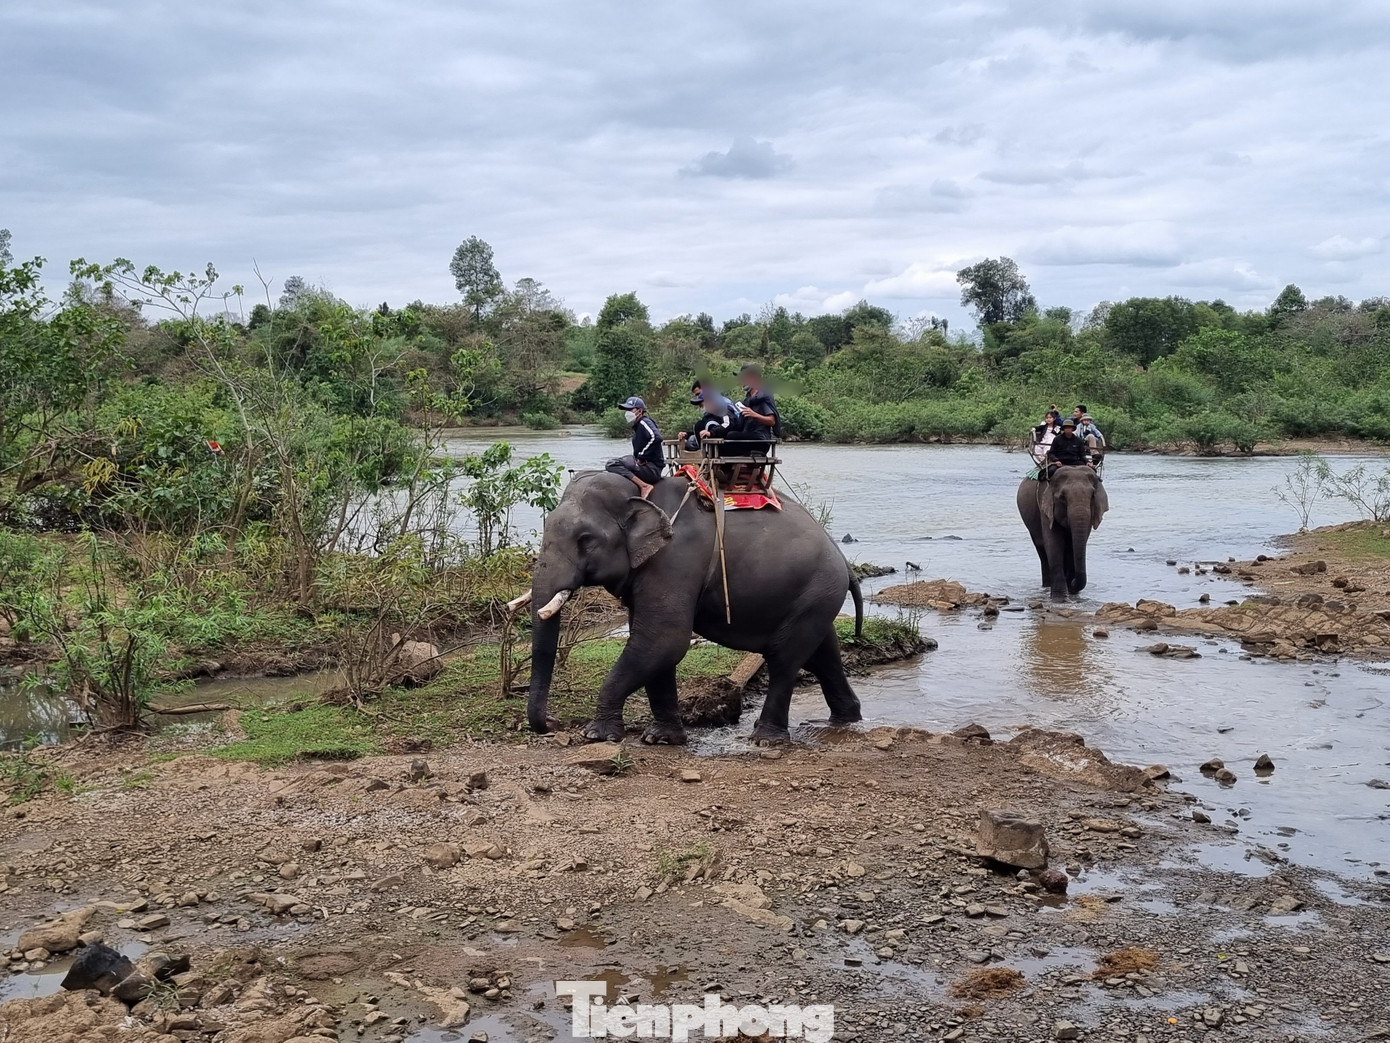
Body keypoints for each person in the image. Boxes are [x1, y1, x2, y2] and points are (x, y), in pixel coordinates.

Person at [605, 396, 664, 499]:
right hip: (645, 465)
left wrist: (642, 456)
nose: (627, 412)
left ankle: (644, 486)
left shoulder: (644, 422)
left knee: (612, 464)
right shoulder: (637, 426)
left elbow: (657, 437)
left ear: (639, 411)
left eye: (630, 409)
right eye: (626, 410)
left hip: (652, 468)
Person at [679, 386, 733, 451]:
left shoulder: (724, 410)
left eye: (702, 405)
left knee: (710, 424)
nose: (702, 408)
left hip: (726, 444)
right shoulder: (709, 416)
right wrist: (686, 435)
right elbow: (700, 431)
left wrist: (711, 432)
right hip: (708, 447)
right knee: (689, 440)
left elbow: (728, 424)